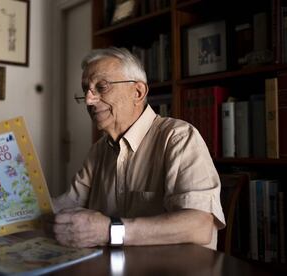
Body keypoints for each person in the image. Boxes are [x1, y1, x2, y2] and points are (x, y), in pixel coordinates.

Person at [50, 47, 226, 249]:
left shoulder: (178, 137)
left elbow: (200, 226)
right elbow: (67, 206)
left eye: (102, 87)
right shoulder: (99, 150)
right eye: (86, 89)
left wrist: (110, 230)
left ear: (138, 92)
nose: (89, 100)